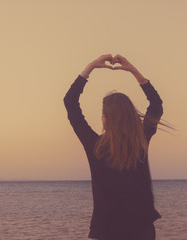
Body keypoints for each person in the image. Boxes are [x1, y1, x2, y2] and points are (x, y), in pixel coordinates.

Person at [63, 54, 173, 240]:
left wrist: (89, 68)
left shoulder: (95, 146)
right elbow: (156, 105)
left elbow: (70, 103)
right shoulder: (141, 140)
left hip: (105, 232)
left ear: (105, 119)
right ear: (130, 115)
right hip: (142, 232)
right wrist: (134, 71)